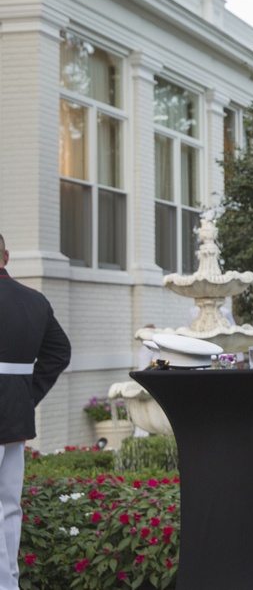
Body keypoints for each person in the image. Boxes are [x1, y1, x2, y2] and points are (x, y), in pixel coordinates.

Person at [0, 232, 72, 590]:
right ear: (7, 256)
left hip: (13, 410)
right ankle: (9, 582)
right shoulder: (35, 301)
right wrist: (27, 396)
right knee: (9, 507)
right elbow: (60, 353)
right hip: (16, 415)